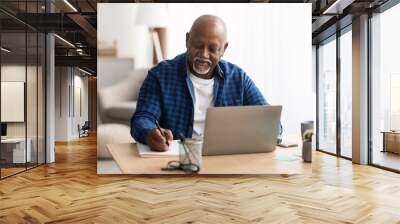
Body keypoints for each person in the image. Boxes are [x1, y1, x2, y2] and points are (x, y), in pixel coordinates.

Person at [131, 14, 278, 151]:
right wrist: (150, 133)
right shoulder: (160, 75)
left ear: (224, 49)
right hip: (180, 161)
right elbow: (142, 118)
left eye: (212, 49)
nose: (204, 54)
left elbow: (271, 123)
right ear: (187, 40)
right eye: (198, 45)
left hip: (225, 160)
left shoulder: (238, 78)